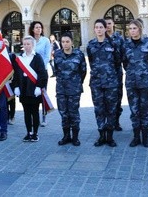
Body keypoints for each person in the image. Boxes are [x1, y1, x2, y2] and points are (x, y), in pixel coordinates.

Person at [86, 19, 121, 147]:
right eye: (97, 27)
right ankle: (101, 135)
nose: (99, 29)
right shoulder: (91, 45)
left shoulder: (113, 44)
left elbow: (118, 63)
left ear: (106, 29)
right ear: (94, 29)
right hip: (96, 83)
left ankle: (110, 137)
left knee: (111, 110)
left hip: (111, 83)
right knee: (99, 110)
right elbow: (91, 62)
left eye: (101, 27)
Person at [123, 19, 148, 148]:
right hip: (131, 82)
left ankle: (146, 137)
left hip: (145, 82)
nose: (132, 31)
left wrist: (144, 72)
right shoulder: (125, 45)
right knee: (134, 110)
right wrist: (133, 72)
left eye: (134, 28)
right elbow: (124, 63)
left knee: (145, 109)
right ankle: (136, 136)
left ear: (140, 29)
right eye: (130, 28)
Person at [13, 36, 48, 142]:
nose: (27, 46)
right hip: (23, 89)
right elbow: (16, 74)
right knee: (26, 112)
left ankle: (35, 133)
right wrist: (16, 87)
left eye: (29, 44)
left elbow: (42, 74)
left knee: (35, 111)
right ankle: (29, 132)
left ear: (33, 45)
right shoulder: (19, 58)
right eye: (25, 44)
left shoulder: (37, 58)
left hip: (34, 89)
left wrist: (39, 86)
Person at [54, 32, 86, 146]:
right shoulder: (57, 54)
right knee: (64, 113)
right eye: (63, 42)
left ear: (72, 42)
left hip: (74, 89)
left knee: (74, 113)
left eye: (67, 41)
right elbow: (56, 71)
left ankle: (75, 137)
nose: (65, 44)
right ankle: (66, 136)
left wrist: (76, 83)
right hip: (61, 89)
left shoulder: (79, 54)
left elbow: (83, 71)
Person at [104, 16, 125, 131]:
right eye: (105, 24)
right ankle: (107, 122)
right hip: (104, 75)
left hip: (116, 73)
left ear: (113, 24)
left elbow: (124, 55)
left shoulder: (119, 38)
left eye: (109, 23)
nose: (107, 26)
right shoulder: (101, 38)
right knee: (105, 100)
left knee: (117, 98)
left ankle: (116, 121)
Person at [29, 21, 51, 126]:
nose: (39, 29)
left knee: (42, 93)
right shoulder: (30, 40)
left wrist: (41, 68)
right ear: (32, 29)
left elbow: (47, 56)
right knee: (33, 95)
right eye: (36, 27)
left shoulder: (45, 40)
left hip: (42, 71)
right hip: (31, 72)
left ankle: (44, 117)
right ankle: (34, 116)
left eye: (40, 27)